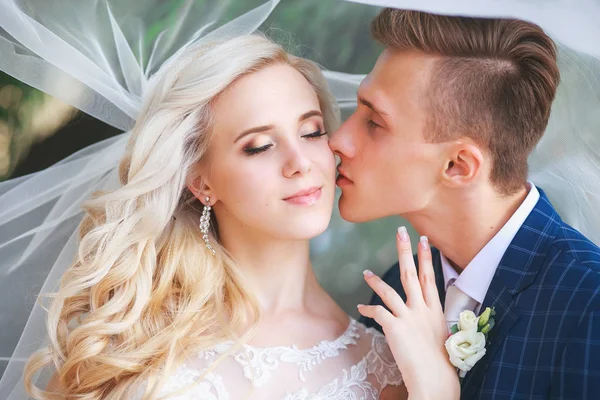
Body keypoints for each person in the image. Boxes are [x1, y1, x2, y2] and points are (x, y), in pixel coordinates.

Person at [22, 34, 458, 400]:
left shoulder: (389, 366)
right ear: (201, 183)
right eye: (259, 146)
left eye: (311, 132)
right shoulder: (130, 343)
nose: (300, 162)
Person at [330, 8, 600, 399]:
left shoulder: (589, 307)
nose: (339, 140)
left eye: (374, 122)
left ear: (458, 166)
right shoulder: (395, 292)